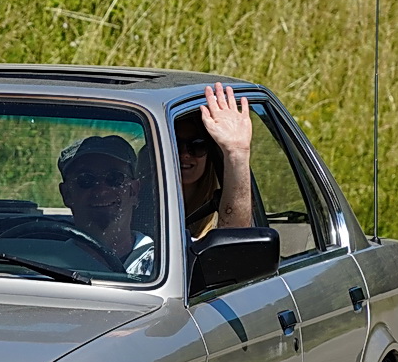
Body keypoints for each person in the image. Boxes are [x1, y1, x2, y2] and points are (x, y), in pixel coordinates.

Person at [56, 135, 155, 278]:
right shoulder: (49, 265)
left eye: (115, 178)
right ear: (67, 194)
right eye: (86, 180)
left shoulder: (166, 262)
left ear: (133, 191)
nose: (101, 190)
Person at [179, 81, 254, 238]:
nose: (185, 154)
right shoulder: (133, 206)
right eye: (177, 144)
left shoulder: (218, 214)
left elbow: (233, 243)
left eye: (197, 145)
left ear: (210, 153)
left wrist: (237, 151)